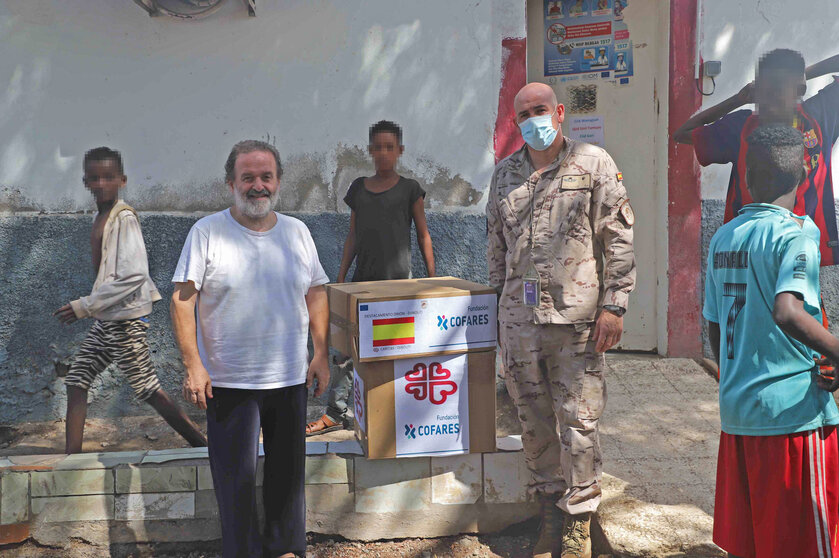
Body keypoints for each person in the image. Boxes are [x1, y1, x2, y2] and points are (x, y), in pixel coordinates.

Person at [487, 82, 635, 558]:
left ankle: (579, 523)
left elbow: (618, 237)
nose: (534, 118)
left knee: (580, 423)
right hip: (519, 321)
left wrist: (614, 305)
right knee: (533, 422)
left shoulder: (594, 162)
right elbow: (495, 247)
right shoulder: (504, 175)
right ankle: (550, 517)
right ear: (516, 122)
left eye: (541, 109)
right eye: (525, 113)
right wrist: (496, 312)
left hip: (576, 320)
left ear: (561, 112)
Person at [170, 140, 330, 558]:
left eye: (266, 177)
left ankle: (285, 550)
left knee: (287, 477)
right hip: (227, 380)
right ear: (231, 184)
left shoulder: (297, 232)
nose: (258, 186)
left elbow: (316, 292)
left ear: (278, 182)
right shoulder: (206, 232)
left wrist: (320, 353)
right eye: (248, 178)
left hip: (289, 376)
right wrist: (193, 366)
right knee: (234, 480)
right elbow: (182, 299)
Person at [703, 125, 839, 558]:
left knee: (758, 542)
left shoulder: (723, 236)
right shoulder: (797, 234)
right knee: (810, 542)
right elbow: (788, 311)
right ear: (801, 178)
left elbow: (713, 325)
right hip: (794, 419)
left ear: (745, 177)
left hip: (739, 415)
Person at [54, 147, 206, 454]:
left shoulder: (124, 219)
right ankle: (72, 458)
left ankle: (202, 445)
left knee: (148, 388)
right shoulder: (101, 216)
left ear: (122, 180)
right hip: (108, 319)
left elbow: (134, 275)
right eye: (94, 178)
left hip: (124, 322)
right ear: (86, 181)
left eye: (108, 177)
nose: (101, 184)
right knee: (77, 379)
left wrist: (85, 305)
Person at [306, 120, 435, 436]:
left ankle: (393, 415)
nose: (383, 153)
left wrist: (432, 281)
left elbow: (423, 235)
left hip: (398, 287)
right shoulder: (358, 189)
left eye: (389, 147)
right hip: (361, 285)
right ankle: (337, 412)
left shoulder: (410, 190)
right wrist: (340, 278)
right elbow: (352, 235)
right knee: (344, 351)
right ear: (370, 151)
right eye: (377, 147)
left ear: (400, 151)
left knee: (393, 352)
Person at [674, 49, 839, 265]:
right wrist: (736, 100)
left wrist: (800, 74)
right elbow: (681, 134)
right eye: (766, 88)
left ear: (799, 88)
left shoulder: (820, 116)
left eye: (779, 88)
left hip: (802, 252)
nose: (772, 98)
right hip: (751, 252)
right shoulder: (741, 126)